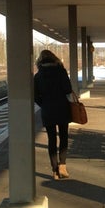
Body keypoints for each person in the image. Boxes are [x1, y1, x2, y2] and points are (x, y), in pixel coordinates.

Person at [34, 50, 74, 180]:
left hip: (48, 110)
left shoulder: (38, 76)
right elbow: (68, 90)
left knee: (52, 140)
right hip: (62, 108)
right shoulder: (61, 72)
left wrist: (44, 104)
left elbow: (35, 96)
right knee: (63, 137)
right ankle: (62, 166)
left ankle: (55, 170)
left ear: (40, 61)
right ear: (54, 59)